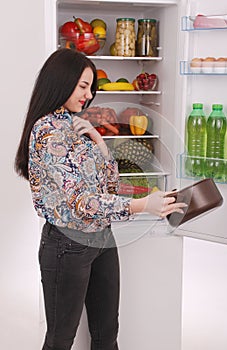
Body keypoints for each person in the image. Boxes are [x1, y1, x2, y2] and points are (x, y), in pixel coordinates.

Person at [15, 48, 187, 350]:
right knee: (60, 338)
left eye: (91, 88)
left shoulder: (73, 124)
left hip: (101, 240)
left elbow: (107, 186)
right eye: (83, 86)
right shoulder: (49, 132)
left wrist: (98, 142)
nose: (88, 94)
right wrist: (142, 205)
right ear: (60, 80)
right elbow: (83, 203)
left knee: (107, 332)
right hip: (67, 246)